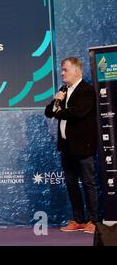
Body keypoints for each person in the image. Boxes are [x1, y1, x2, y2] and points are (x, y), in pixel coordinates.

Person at [45, 57, 98, 234]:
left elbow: (75, 114)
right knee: (71, 184)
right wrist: (57, 100)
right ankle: (79, 220)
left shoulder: (87, 90)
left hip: (83, 146)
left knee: (88, 184)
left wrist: (58, 108)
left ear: (77, 71)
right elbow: (48, 112)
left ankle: (94, 221)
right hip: (67, 147)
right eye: (61, 70)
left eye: (65, 69)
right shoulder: (63, 90)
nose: (62, 73)